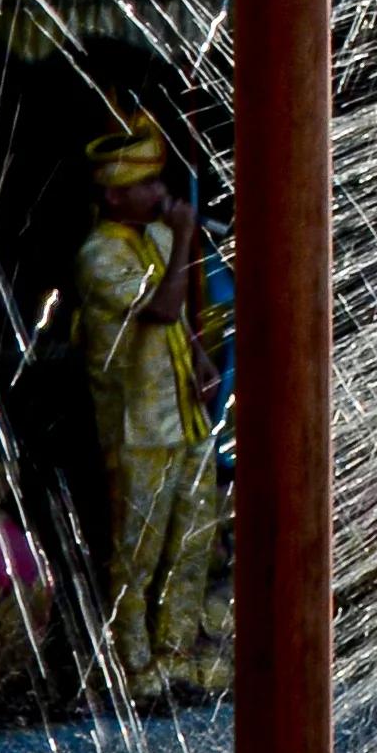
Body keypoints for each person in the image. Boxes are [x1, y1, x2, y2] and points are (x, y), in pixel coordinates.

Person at [77, 124, 230, 709]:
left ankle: (177, 659)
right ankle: (133, 670)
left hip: (183, 419)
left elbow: (181, 323)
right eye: (145, 185)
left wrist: (199, 363)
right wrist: (186, 239)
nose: (158, 193)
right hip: (136, 430)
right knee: (137, 554)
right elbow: (163, 307)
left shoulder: (161, 241)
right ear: (114, 196)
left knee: (191, 543)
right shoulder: (100, 254)